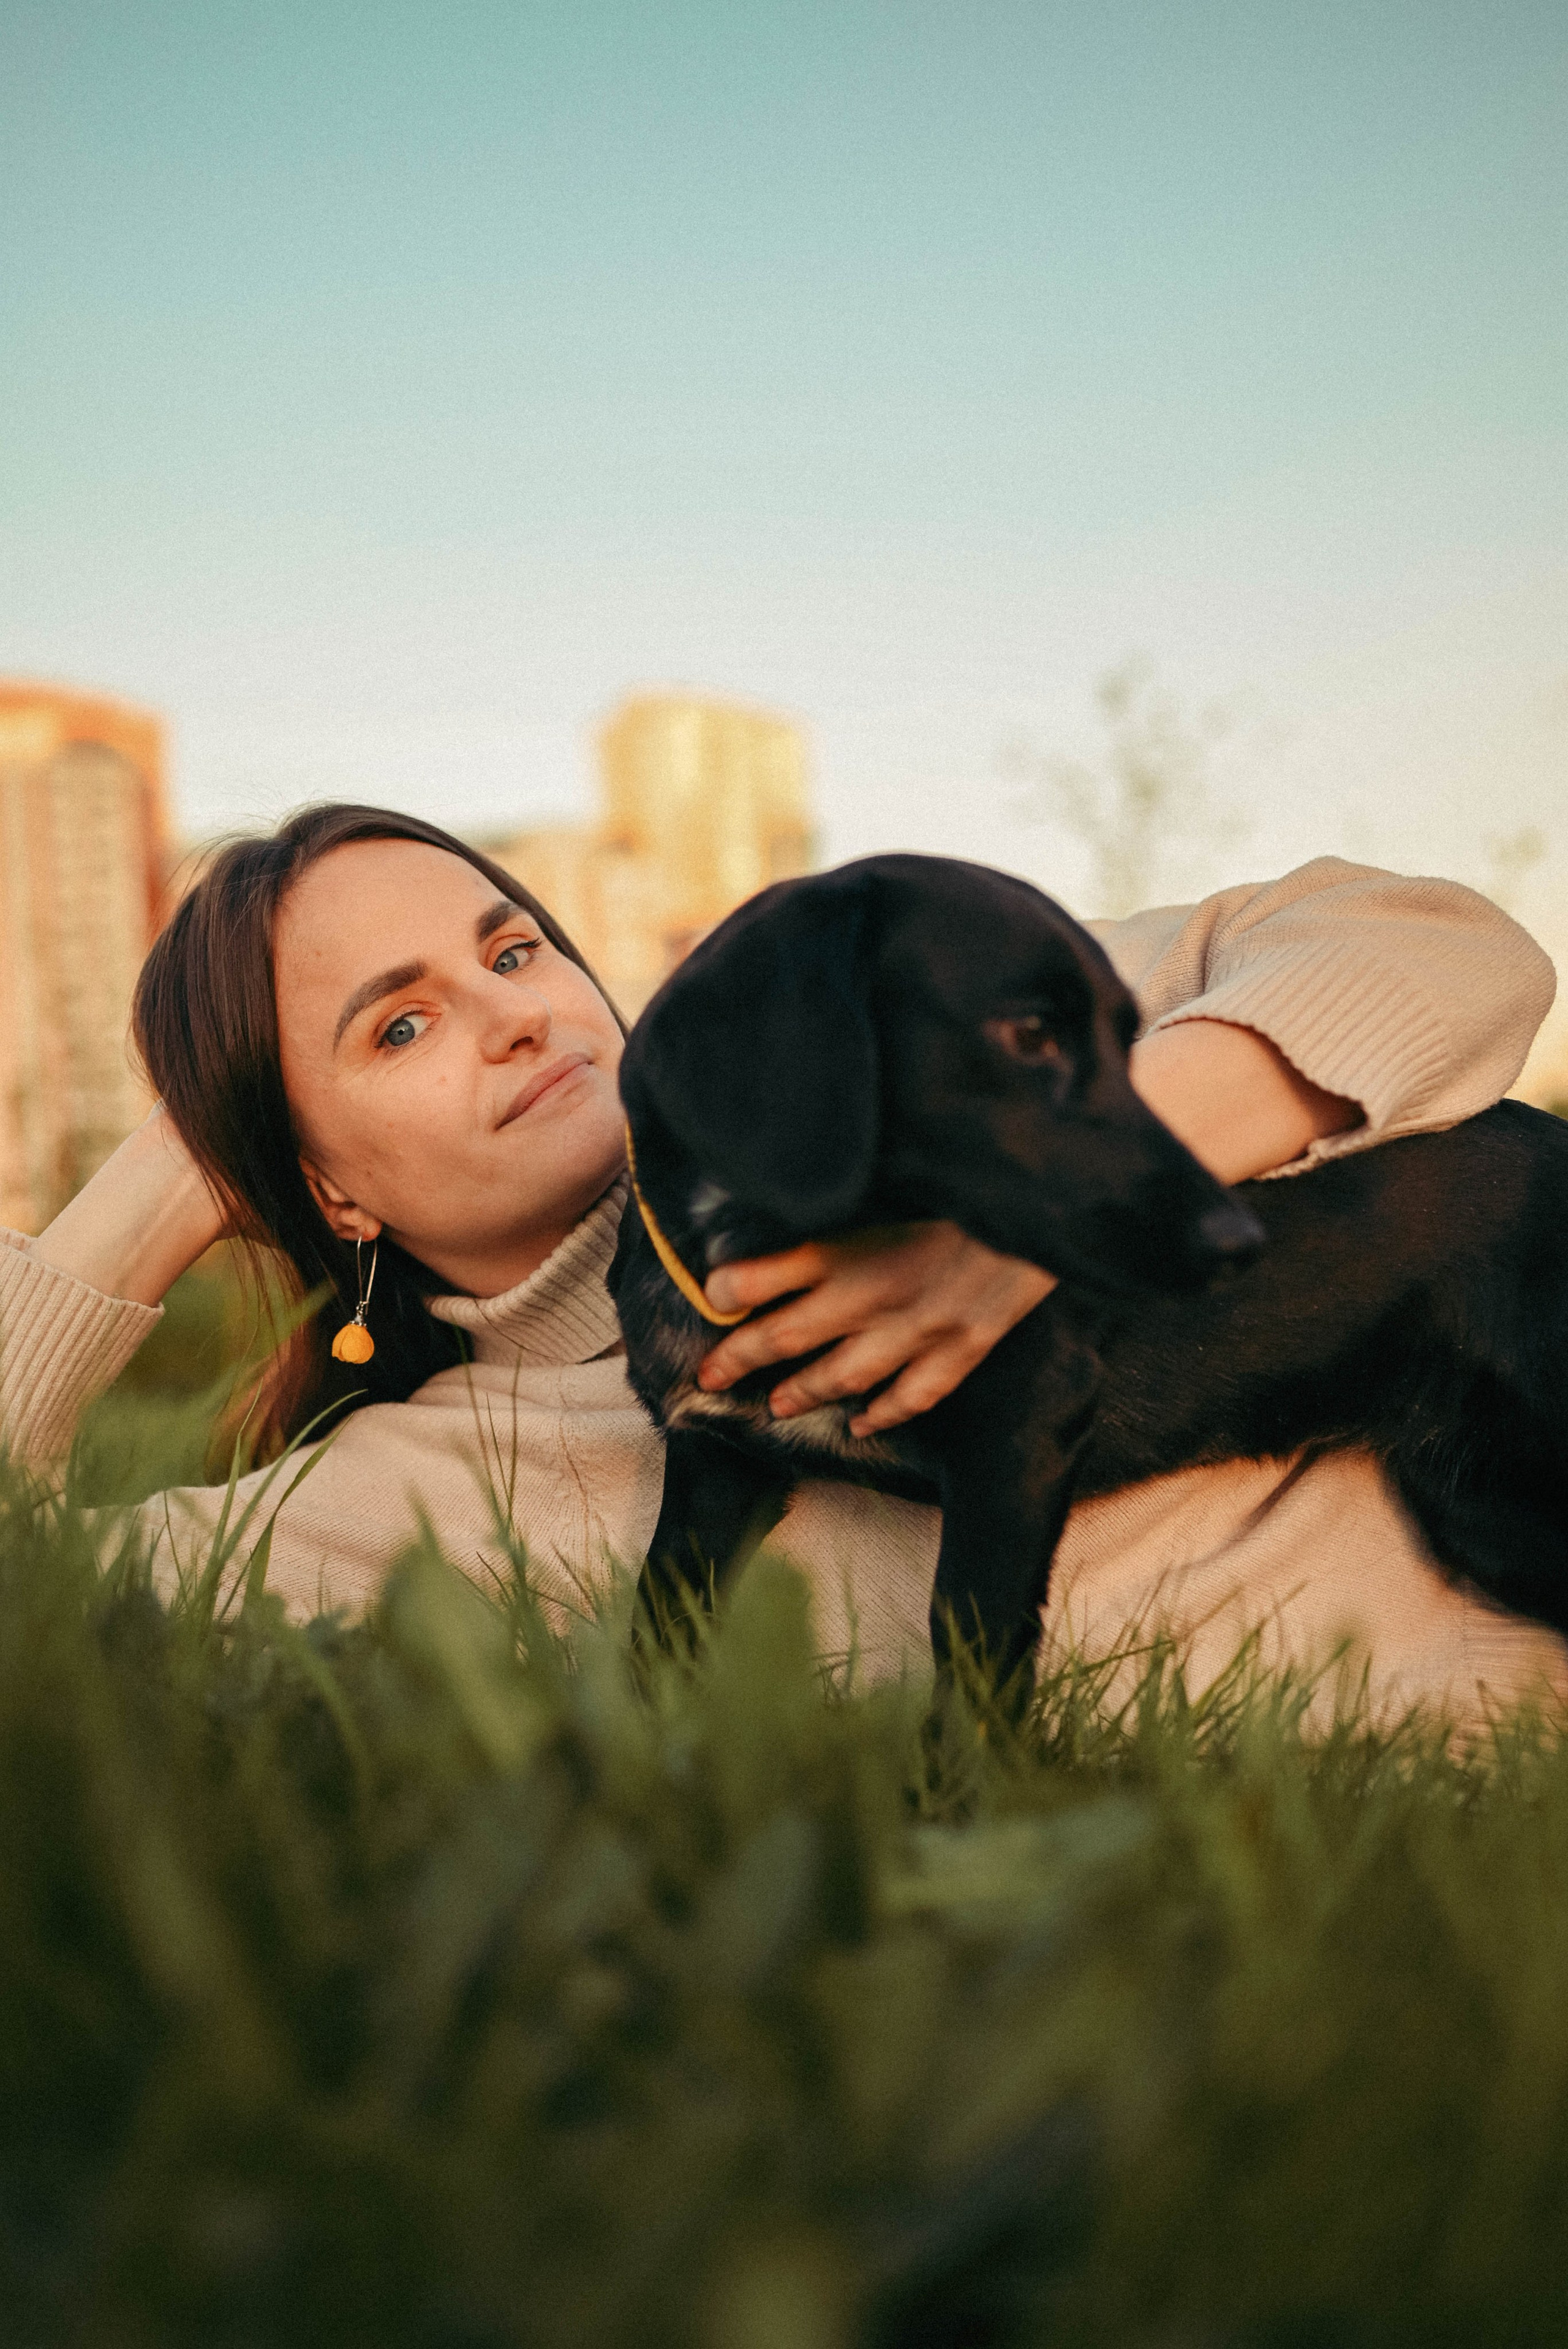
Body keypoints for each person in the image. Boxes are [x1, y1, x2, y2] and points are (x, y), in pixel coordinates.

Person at [1, 804, 1560, 1727]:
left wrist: (1021, 1213)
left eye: (514, 947)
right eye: (398, 1025)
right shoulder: (400, 1498)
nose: (517, 1013)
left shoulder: (932, 1042)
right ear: (323, 1180)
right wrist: (168, 1173)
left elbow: (1433, 939)